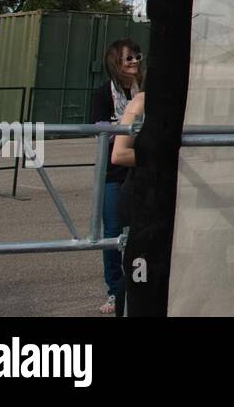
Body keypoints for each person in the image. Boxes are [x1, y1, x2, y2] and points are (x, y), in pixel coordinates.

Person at [89, 38, 144, 315]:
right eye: (128, 58)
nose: (134, 61)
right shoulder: (103, 94)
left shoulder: (144, 91)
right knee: (112, 233)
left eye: (136, 56)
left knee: (139, 231)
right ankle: (113, 290)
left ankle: (136, 285)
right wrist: (123, 126)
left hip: (139, 171)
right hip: (113, 173)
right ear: (116, 63)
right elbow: (98, 128)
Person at [108, 89, 145, 319]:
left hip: (176, 197)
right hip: (139, 197)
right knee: (137, 271)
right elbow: (119, 155)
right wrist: (167, 156)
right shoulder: (141, 103)